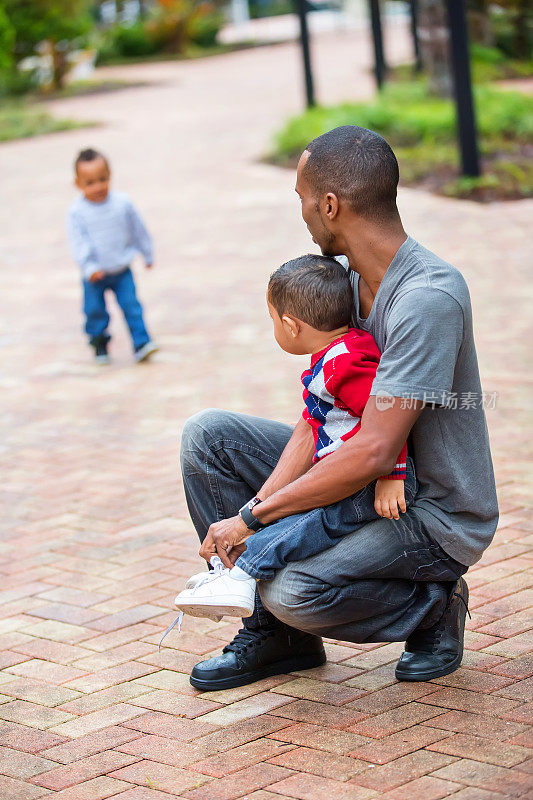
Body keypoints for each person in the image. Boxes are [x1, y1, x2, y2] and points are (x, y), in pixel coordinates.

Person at [180, 126, 498, 692]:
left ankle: (434, 604)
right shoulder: (346, 285)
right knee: (210, 438)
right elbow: (315, 417)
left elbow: (375, 450)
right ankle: (278, 637)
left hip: (428, 509)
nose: (301, 212)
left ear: (330, 205)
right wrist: (256, 508)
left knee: (294, 592)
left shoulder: (427, 298)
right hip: (362, 482)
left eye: (303, 199)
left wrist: (254, 520)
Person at [175, 255, 416, 621]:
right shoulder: (337, 353)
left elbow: (386, 421)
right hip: (349, 476)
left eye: (271, 319)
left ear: (290, 325)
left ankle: (240, 577)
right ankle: (235, 576)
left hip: (367, 486)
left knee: (302, 526)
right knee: (294, 521)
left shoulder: (346, 363)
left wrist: (392, 477)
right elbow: (316, 423)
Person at [67, 148, 158, 364]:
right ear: (78, 184)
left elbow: (137, 229)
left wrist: (147, 252)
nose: (98, 186)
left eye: (102, 179)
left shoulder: (122, 203)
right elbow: (78, 242)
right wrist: (89, 267)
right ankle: (99, 342)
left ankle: (141, 343)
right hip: (94, 275)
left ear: (110, 175)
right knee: (94, 311)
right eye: (90, 183)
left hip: (121, 269)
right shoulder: (76, 212)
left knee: (132, 306)